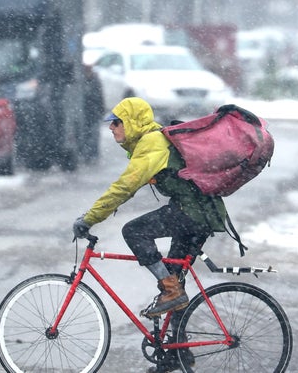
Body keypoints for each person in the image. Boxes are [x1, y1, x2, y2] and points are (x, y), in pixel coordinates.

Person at [72, 97, 228, 318]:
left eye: (116, 122)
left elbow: (124, 187)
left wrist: (89, 218)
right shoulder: (152, 142)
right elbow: (127, 188)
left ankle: (171, 290)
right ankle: (176, 349)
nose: (111, 127)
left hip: (193, 212)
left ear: (132, 122)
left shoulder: (152, 143)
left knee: (134, 231)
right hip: (200, 213)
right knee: (175, 287)